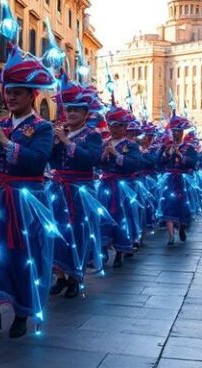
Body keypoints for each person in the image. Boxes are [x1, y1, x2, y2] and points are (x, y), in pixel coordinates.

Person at [0, 46, 56, 338]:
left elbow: (37, 161)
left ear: (33, 96)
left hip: (27, 200)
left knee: (23, 255)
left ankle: (22, 311)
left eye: (18, 92)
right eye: (8, 91)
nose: (11, 97)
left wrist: (5, 143)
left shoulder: (43, 128)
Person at [48, 83, 103, 298]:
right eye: (68, 109)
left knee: (77, 231)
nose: (70, 113)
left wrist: (65, 142)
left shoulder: (92, 135)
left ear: (85, 114)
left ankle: (75, 276)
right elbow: (50, 160)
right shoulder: (60, 132)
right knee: (56, 231)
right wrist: (54, 143)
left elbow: (91, 159)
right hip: (58, 188)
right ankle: (59, 275)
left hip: (80, 190)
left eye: (75, 110)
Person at [98, 106, 142, 268]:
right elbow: (97, 162)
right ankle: (102, 248)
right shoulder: (105, 143)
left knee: (122, 218)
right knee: (103, 216)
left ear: (125, 127)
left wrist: (116, 155)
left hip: (123, 187)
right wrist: (103, 156)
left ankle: (120, 251)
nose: (114, 129)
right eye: (112, 125)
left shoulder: (131, 145)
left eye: (118, 125)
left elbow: (135, 165)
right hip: (106, 185)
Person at [158, 115, 198, 245]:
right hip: (169, 179)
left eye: (178, 131)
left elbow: (193, 162)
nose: (176, 133)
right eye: (174, 131)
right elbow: (158, 162)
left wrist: (180, 156)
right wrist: (167, 154)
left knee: (183, 206)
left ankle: (182, 227)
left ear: (182, 133)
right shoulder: (165, 147)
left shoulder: (189, 147)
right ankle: (170, 235)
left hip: (183, 180)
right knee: (168, 205)